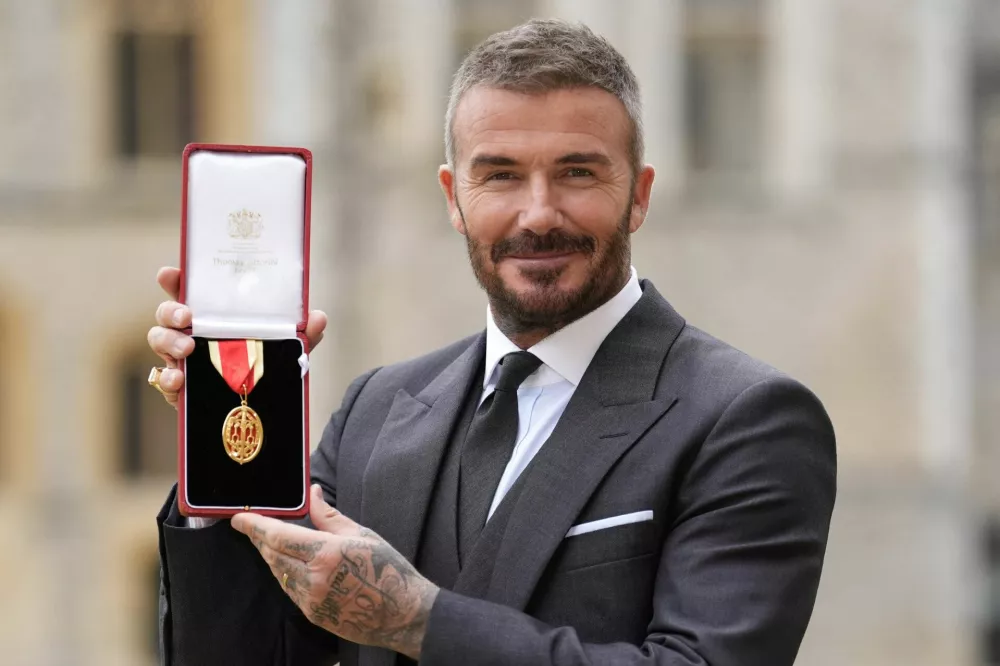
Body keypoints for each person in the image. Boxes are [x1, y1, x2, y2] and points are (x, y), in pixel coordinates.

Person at [147, 18, 836, 666]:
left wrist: (418, 620)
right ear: (454, 197)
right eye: (501, 174)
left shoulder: (747, 420)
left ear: (639, 195)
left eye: (577, 172)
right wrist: (223, 434)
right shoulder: (376, 409)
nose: (538, 214)